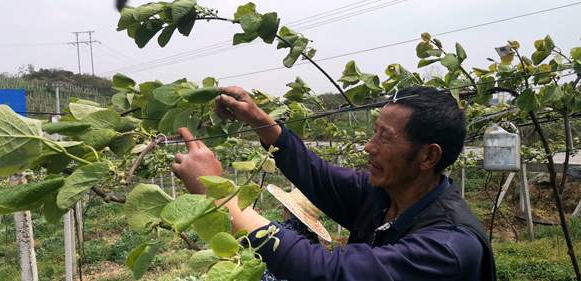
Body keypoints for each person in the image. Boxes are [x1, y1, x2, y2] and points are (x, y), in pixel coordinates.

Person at [172, 86, 496, 280]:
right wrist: (260, 120)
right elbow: (316, 173)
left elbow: (326, 272)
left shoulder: (449, 247)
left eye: (385, 136)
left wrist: (215, 190)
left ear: (428, 157)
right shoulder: (382, 195)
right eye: (374, 131)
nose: (369, 146)